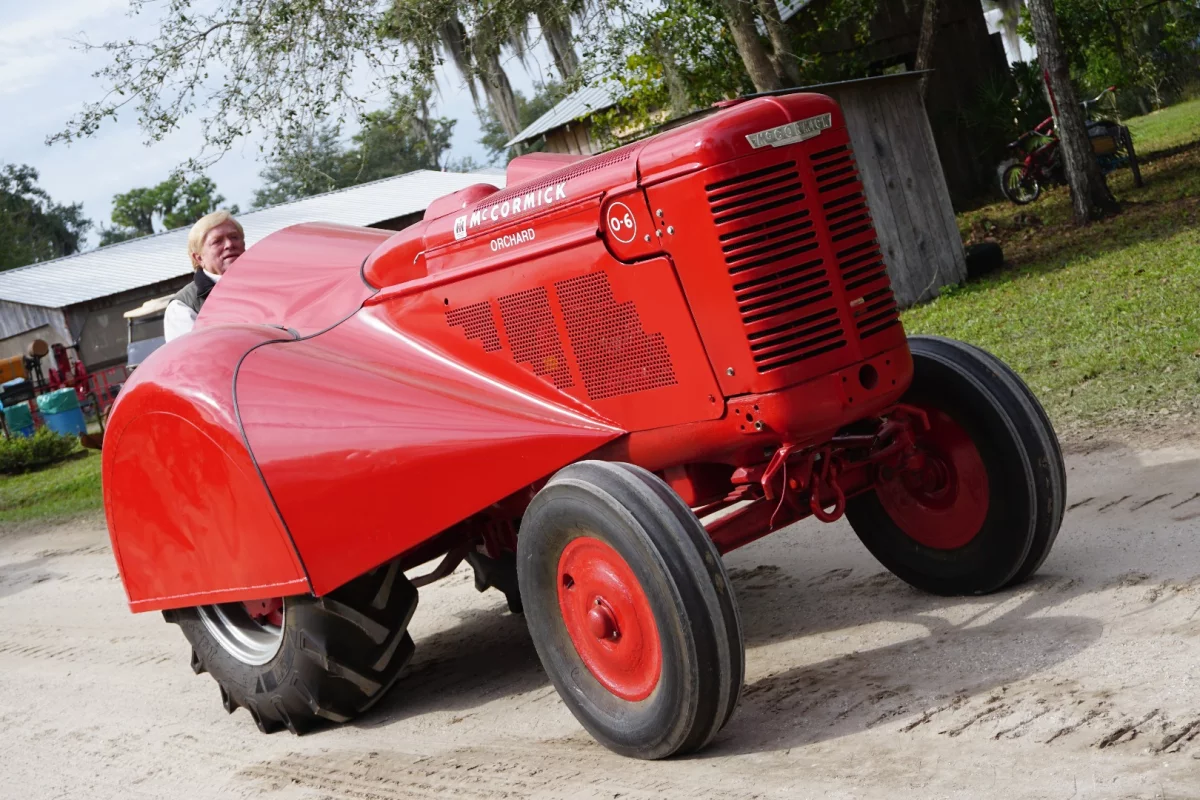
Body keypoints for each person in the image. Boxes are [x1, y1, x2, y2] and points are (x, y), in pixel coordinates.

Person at [163, 210, 246, 342]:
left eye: (234, 237)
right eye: (217, 241)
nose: (229, 245)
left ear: (244, 244)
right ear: (199, 258)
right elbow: (191, 356)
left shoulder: (269, 282)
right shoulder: (183, 307)